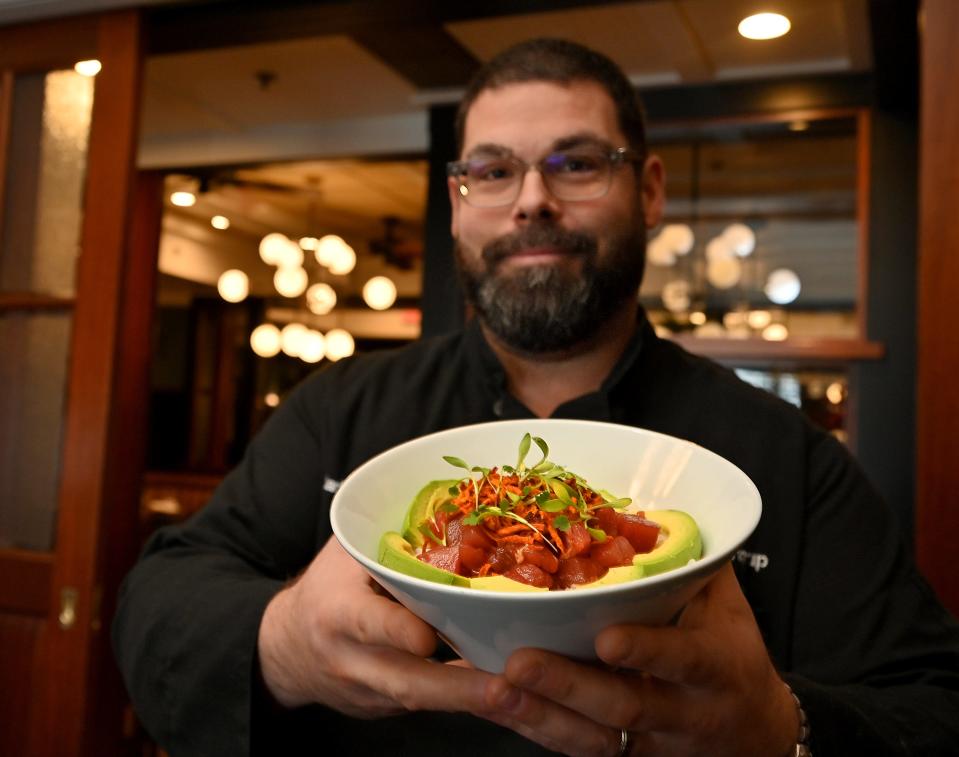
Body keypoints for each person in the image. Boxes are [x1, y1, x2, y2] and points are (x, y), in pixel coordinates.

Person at [114, 38, 959, 756]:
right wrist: (282, 639)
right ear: (456, 202)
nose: (531, 200)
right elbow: (161, 593)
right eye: (492, 171)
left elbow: (932, 702)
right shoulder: (340, 406)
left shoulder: (787, 453)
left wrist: (783, 728)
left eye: (578, 163)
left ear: (651, 190)